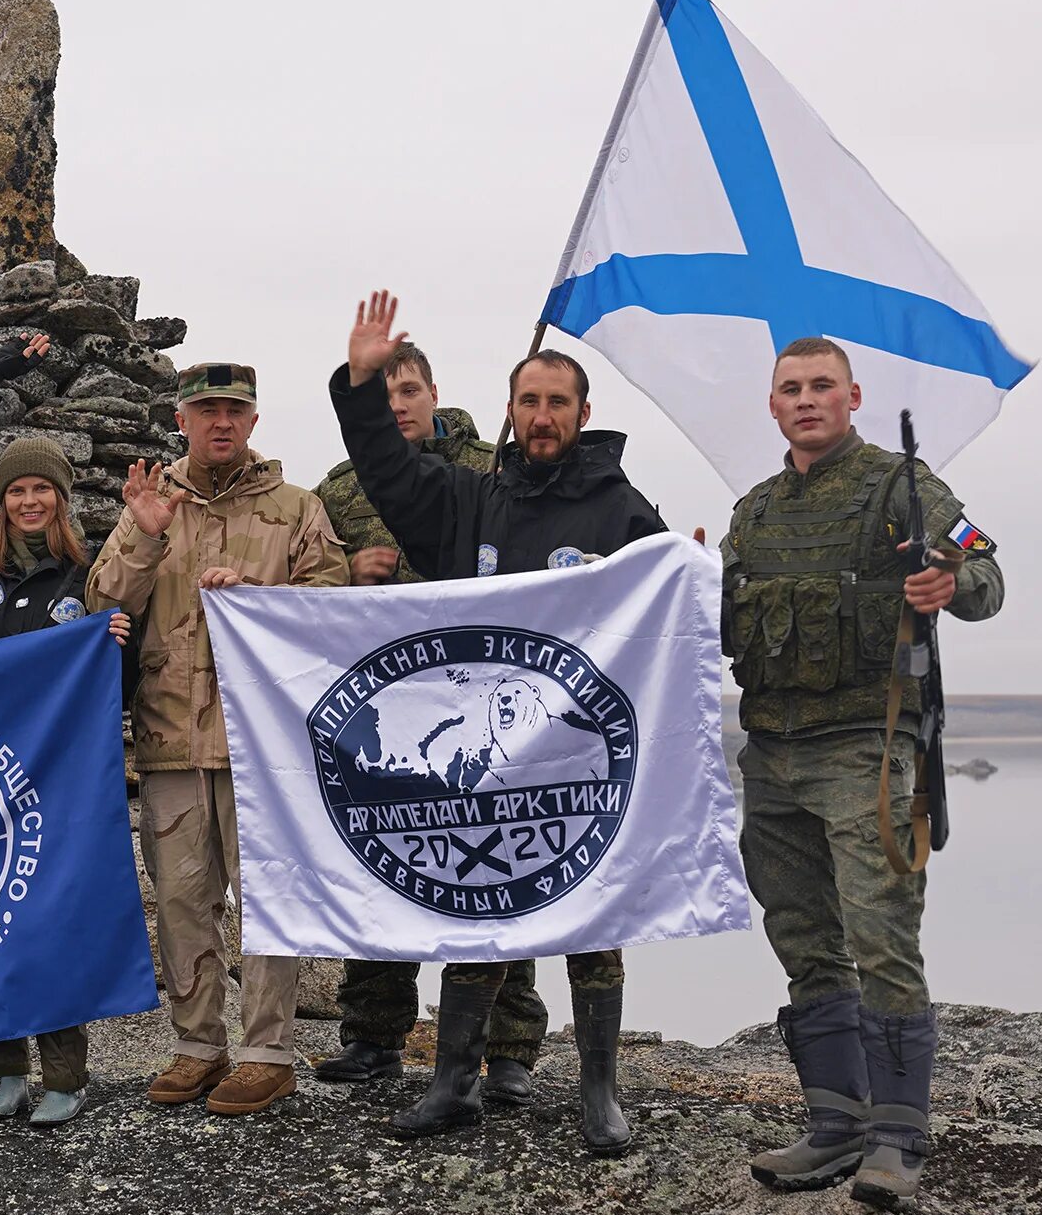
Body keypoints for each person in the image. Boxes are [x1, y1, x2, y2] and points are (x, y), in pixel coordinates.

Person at [331, 291, 670, 1152]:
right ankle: (453, 1082)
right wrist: (363, 384)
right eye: (530, 401)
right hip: (485, 763)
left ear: (584, 414)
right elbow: (386, 470)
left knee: (592, 924)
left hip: (582, 768)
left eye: (559, 402)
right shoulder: (468, 501)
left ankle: (600, 1092)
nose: (543, 415)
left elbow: (667, 626)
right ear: (510, 412)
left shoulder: (627, 515)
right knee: (484, 909)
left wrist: (687, 579)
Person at [731, 338, 1003, 1209]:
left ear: (853, 396)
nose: (806, 400)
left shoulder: (906, 489)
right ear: (773, 405)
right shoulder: (755, 511)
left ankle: (897, 1138)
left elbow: (989, 573)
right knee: (803, 939)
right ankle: (834, 1126)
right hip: (770, 753)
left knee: (882, 938)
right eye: (790, 389)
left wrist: (949, 583)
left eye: (821, 387)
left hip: (865, 748)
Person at [85, 360, 348, 1116]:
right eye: (206, 410)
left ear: (255, 421)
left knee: (266, 902)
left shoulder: (298, 509)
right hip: (169, 736)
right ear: (183, 420)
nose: (220, 423)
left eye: (234, 410)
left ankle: (267, 1052)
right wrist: (142, 533)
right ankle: (198, 1044)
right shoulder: (151, 507)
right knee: (180, 900)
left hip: (263, 744)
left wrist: (262, 597)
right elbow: (100, 606)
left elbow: (336, 608)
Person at [311, 342, 545, 1102]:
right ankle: (373, 1035)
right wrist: (347, 574)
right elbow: (303, 583)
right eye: (380, 396)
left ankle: (508, 1050)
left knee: (498, 871)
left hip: (484, 712)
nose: (397, 405)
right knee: (383, 865)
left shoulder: (492, 469)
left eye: (407, 390)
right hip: (386, 719)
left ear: (433, 392)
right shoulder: (343, 488)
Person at [0, 333, 132, 1127]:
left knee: (47, 919)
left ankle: (66, 1077)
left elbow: (118, 676)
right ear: (3, 498)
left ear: (61, 499)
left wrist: (113, 645)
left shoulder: (84, 581)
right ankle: (3, 1071)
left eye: (42, 491)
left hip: (49, 780)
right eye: (16, 491)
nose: (28, 502)